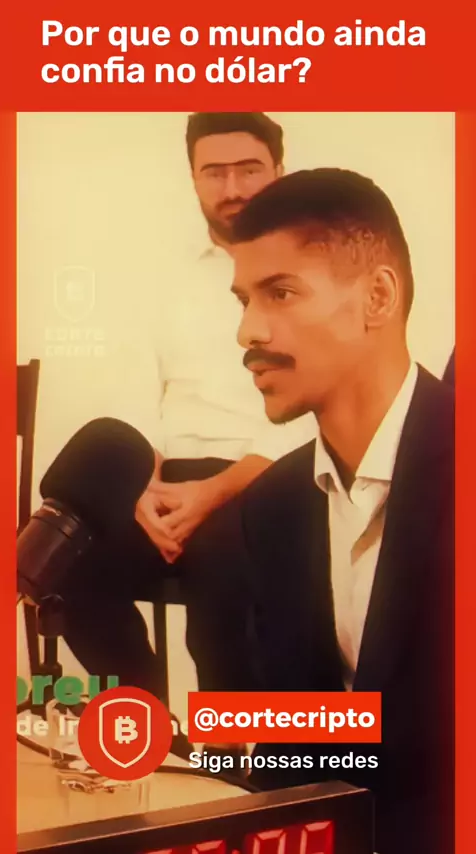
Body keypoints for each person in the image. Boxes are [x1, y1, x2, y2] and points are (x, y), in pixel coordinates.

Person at [186, 169, 454, 853]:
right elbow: (301, 747)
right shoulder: (272, 507)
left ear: (378, 297)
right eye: (243, 300)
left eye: (280, 293)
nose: (247, 331)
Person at [60, 113, 314, 755]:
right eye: (215, 172)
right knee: (72, 567)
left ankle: (236, 760)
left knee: (226, 578)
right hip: (168, 477)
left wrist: (214, 494)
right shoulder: (165, 275)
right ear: (194, 179)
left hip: (267, 476)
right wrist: (142, 487)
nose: (233, 188)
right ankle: (153, 732)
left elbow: (314, 405)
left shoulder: (315, 269)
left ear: (279, 170)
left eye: (249, 169)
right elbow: (137, 391)